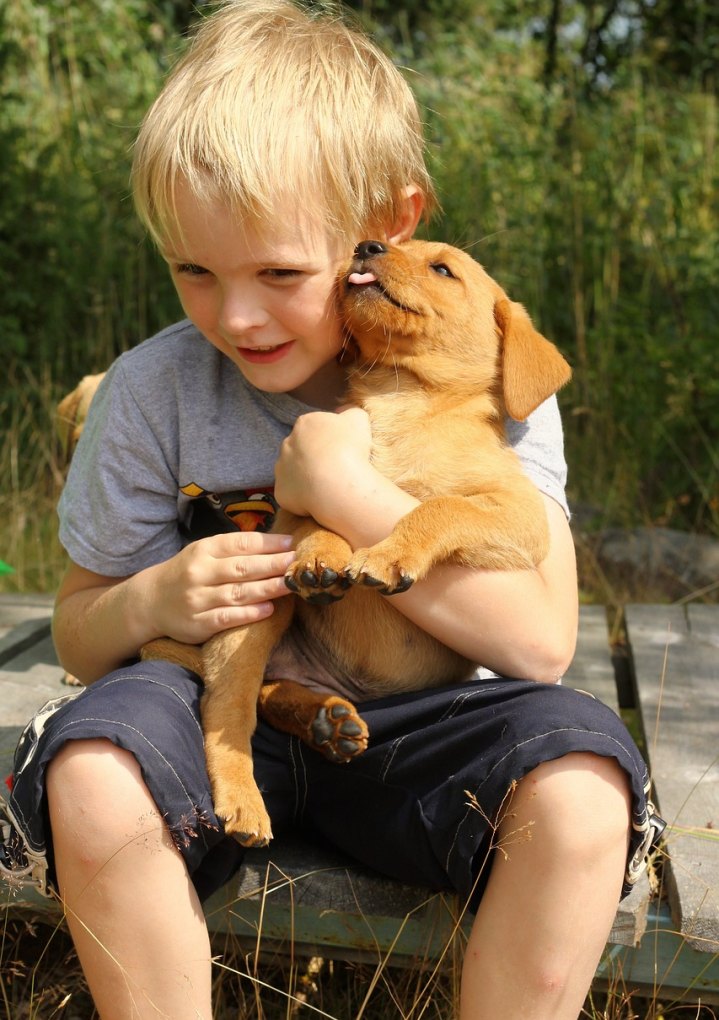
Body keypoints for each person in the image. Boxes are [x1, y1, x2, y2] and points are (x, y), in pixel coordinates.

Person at [0, 1, 664, 1017]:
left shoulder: (483, 374)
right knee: (91, 765)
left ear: (388, 223)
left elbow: (536, 646)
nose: (236, 316)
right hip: (223, 714)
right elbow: (85, 633)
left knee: (579, 789)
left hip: (425, 731)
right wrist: (151, 600)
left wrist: (344, 495)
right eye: (194, 271)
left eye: (279, 272)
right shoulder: (150, 390)